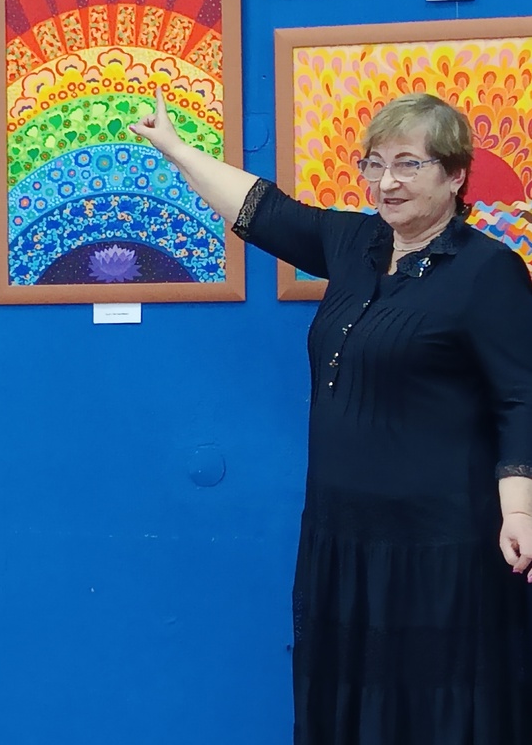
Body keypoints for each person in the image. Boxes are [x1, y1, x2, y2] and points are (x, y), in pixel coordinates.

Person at [132, 89, 532, 745]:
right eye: (375, 164)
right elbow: (262, 210)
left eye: (408, 164)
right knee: (347, 700)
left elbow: (520, 396)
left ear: (456, 175)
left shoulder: (489, 272)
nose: (387, 182)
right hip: (340, 533)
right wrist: (175, 150)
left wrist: (518, 511)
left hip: (438, 545)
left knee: (433, 705)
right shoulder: (354, 244)